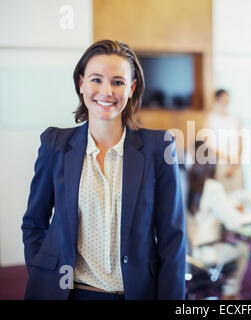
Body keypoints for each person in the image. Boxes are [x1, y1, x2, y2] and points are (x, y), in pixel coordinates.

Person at [21, 40, 186, 300]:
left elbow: (172, 239)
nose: (106, 91)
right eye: (96, 79)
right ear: (81, 83)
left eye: (118, 82)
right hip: (70, 294)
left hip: (135, 294)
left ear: (131, 88)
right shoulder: (55, 144)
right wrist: (43, 273)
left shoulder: (159, 147)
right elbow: (34, 222)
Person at [186, 141, 250, 300]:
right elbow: (233, 222)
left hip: (186, 253)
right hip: (206, 252)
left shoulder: (184, 182)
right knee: (244, 249)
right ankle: (230, 293)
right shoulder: (212, 187)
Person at [203, 89, 243, 194]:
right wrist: (227, 158)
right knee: (222, 193)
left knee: (237, 194)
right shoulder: (211, 118)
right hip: (219, 161)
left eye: (227, 99)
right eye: (223, 99)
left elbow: (240, 141)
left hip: (235, 162)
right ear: (217, 100)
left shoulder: (235, 118)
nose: (226, 102)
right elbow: (208, 143)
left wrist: (235, 161)